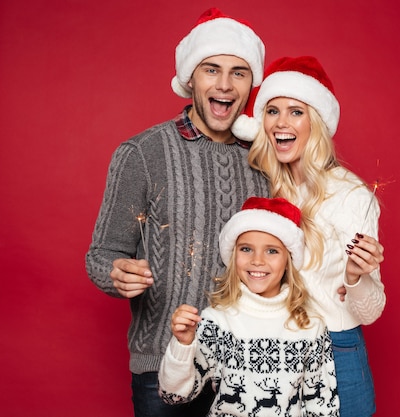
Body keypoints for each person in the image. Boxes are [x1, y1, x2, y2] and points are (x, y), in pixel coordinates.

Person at [85, 7, 268, 417]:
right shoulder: (143, 154)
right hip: (162, 365)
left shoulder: (266, 160)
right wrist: (115, 273)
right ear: (190, 79)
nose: (224, 84)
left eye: (238, 72)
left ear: (251, 83)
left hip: (245, 365)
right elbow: (102, 254)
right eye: (211, 70)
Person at [231, 56, 386, 416]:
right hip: (274, 353)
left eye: (296, 112)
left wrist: (356, 277)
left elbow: (371, 310)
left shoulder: (352, 196)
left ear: (316, 122)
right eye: (272, 111)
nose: (281, 123)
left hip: (336, 353)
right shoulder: (264, 188)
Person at [158, 197, 340, 416]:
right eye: (246, 249)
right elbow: (174, 395)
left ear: (288, 261)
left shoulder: (310, 326)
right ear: (233, 256)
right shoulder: (216, 320)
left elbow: (322, 406)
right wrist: (183, 344)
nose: (257, 260)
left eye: (272, 251)